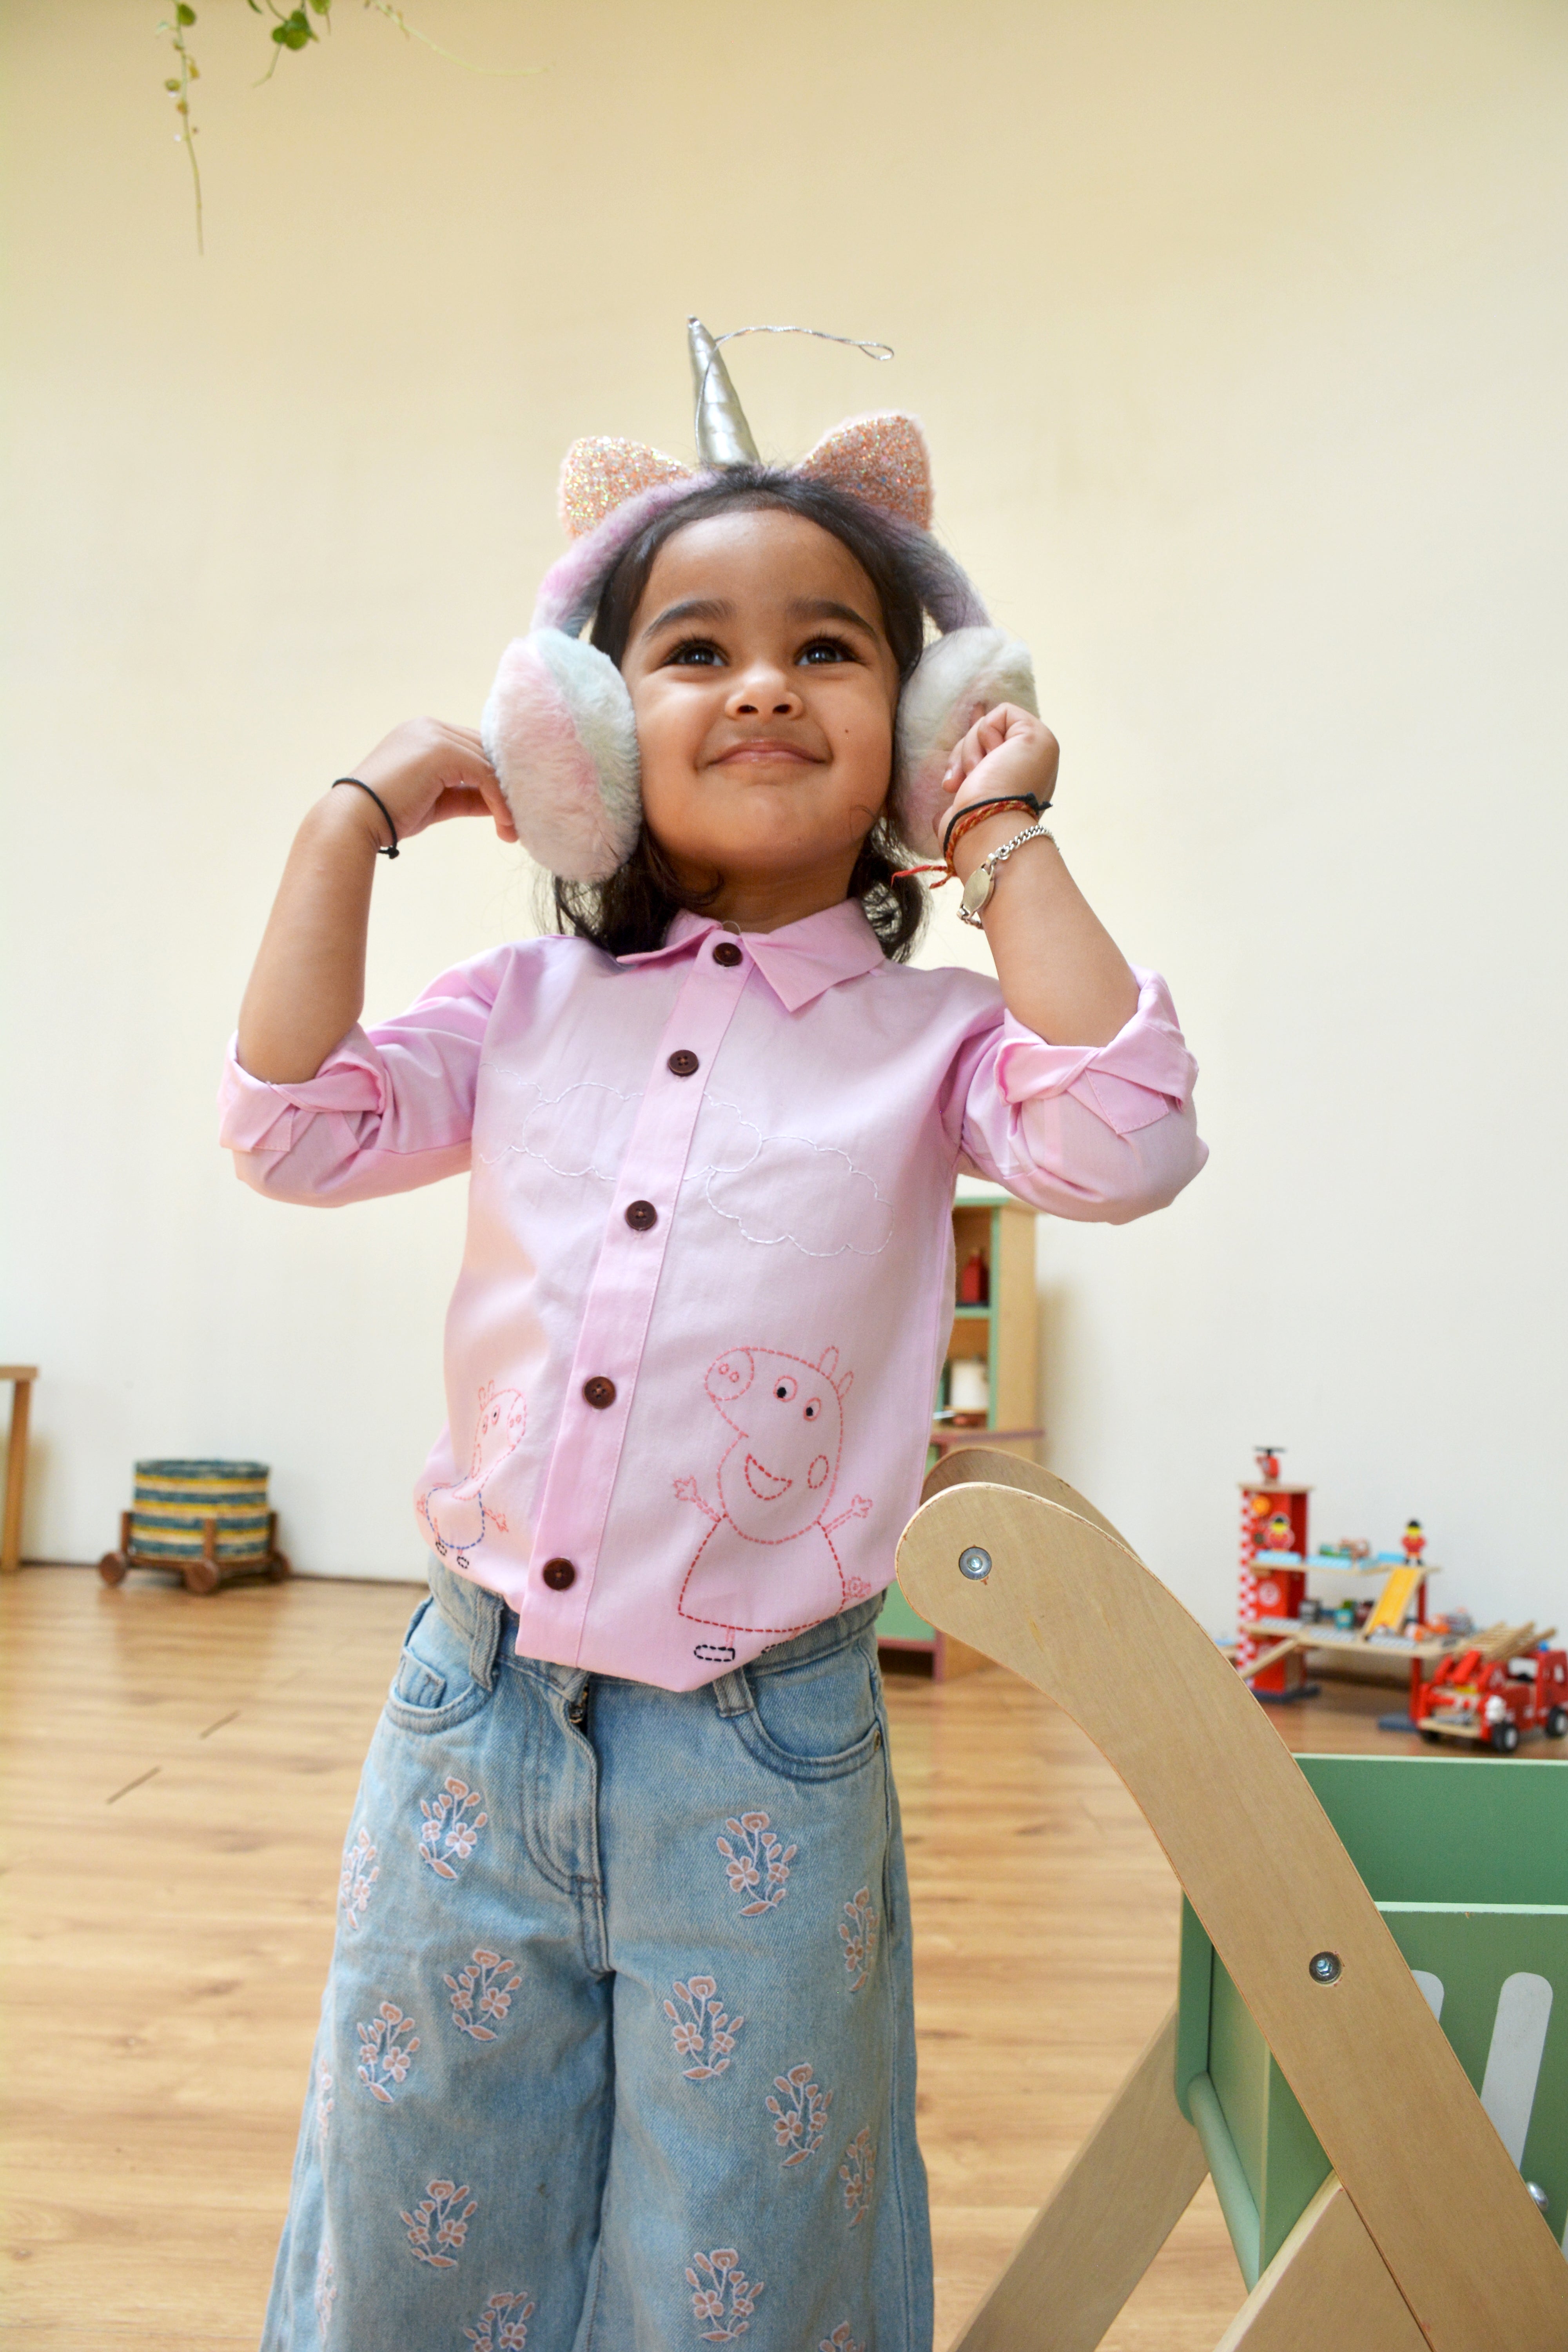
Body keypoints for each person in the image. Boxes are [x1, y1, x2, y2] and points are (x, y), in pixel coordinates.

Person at [223, 362, 1205, 2351]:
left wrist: (997, 833)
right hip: (470, 1725)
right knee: (422, 2195)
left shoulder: (932, 1049)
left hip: (765, 1740)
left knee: (742, 2247)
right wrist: (360, 813)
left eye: (830, 650)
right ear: (583, 741)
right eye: (694, 651)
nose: (763, 686)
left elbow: (1130, 1134)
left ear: (911, 729)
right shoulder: (516, 1009)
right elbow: (289, 1123)